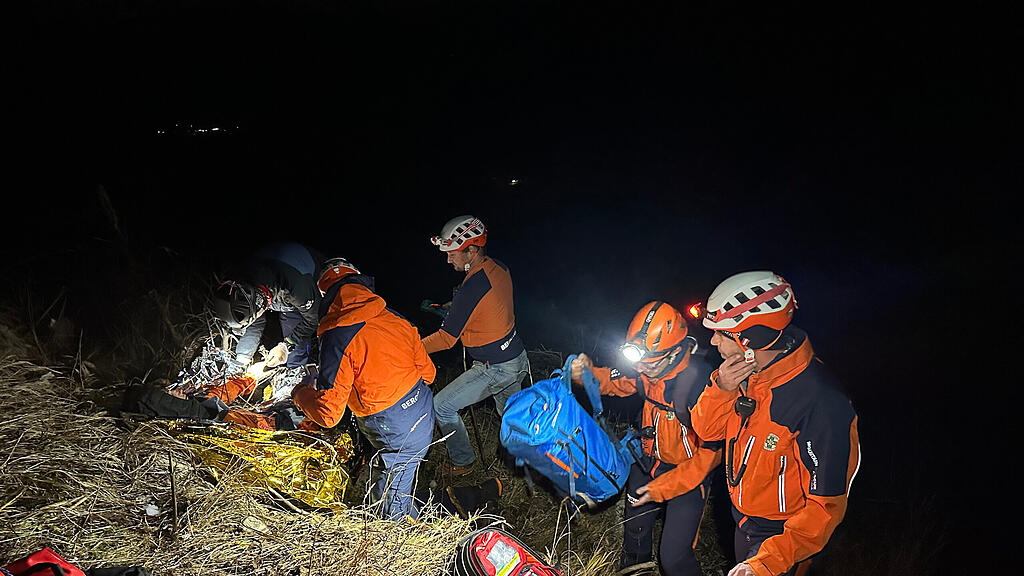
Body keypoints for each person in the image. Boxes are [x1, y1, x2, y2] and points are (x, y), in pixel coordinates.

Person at [691, 271, 860, 576]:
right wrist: (720, 389)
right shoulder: (744, 373)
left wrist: (766, 563)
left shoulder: (820, 402)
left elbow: (826, 508)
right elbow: (707, 431)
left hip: (783, 542)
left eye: (721, 333)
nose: (713, 341)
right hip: (742, 521)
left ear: (749, 339)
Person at [571, 301, 722, 576]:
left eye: (648, 364)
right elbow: (611, 380)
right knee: (635, 532)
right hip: (647, 462)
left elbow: (712, 453)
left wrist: (662, 488)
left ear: (675, 352)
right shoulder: (646, 367)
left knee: (674, 558)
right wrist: (584, 375)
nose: (640, 369)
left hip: (688, 474)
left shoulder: (702, 385)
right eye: (637, 361)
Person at [290, 257, 437, 520]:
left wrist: (300, 394)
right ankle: (420, 522)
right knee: (396, 479)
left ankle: (400, 548)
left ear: (325, 294)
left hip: (393, 426)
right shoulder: (394, 315)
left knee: (390, 507)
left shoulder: (337, 336)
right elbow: (429, 372)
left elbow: (328, 415)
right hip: (423, 411)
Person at [422, 215, 529, 477]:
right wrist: (454, 308)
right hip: (516, 357)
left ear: (472, 249)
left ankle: (462, 462)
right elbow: (489, 303)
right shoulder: (498, 267)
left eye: (453, 254)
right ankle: (529, 462)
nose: (448, 260)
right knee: (511, 416)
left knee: (442, 406)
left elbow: (446, 339)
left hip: (495, 367)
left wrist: (409, 346)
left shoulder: (473, 286)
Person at [212, 241, 324, 370]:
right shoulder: (241, 284)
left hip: (312, 279)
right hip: (272, 285)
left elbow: (313, 319)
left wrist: (286, 346)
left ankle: (297, 371)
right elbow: (254, 322)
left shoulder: (295, 288)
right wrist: (242, 357)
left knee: (295, 332)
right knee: (259, 318)